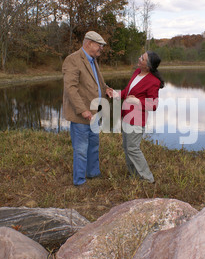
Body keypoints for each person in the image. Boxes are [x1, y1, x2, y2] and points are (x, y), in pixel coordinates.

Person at [62, 31, 114, 187]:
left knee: (94, 146)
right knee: (81, 149)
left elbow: (96, 83)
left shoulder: (93, 60)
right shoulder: (73, 60)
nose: (101, 49)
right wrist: (83, 110)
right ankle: (79, 181)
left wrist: (106, 89)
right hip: (82, 116)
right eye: (99, 45)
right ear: (89, 43)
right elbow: (71, 88)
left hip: (94, 114)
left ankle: (93, 173)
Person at [118, 51, 165, 184]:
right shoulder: (136, 73)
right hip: (126, 116)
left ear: (148, 65)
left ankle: (148, 178)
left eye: (142, 58)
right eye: (141, 56)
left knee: (133, 148)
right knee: (127, 148)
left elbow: (153, 105)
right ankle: (134, 175)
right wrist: (115, 94)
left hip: (137, 119)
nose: (139, 58)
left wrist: (137, 101)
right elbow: (127, 92)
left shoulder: (153, 81)